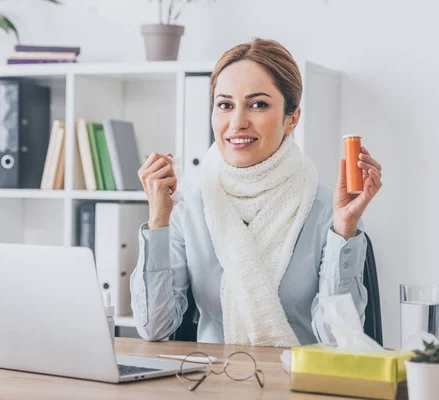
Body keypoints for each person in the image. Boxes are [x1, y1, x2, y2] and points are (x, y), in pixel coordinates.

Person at [130, 38, 383, 346]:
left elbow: (338, 339)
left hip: (297, 387)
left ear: (292, 119)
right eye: (225, 105)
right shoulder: (190, 208)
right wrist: (158, 218)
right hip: (211, 385)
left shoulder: (327, 212)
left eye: (258, 104)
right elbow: (154, 327)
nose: (237, 123)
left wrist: (344, 230)